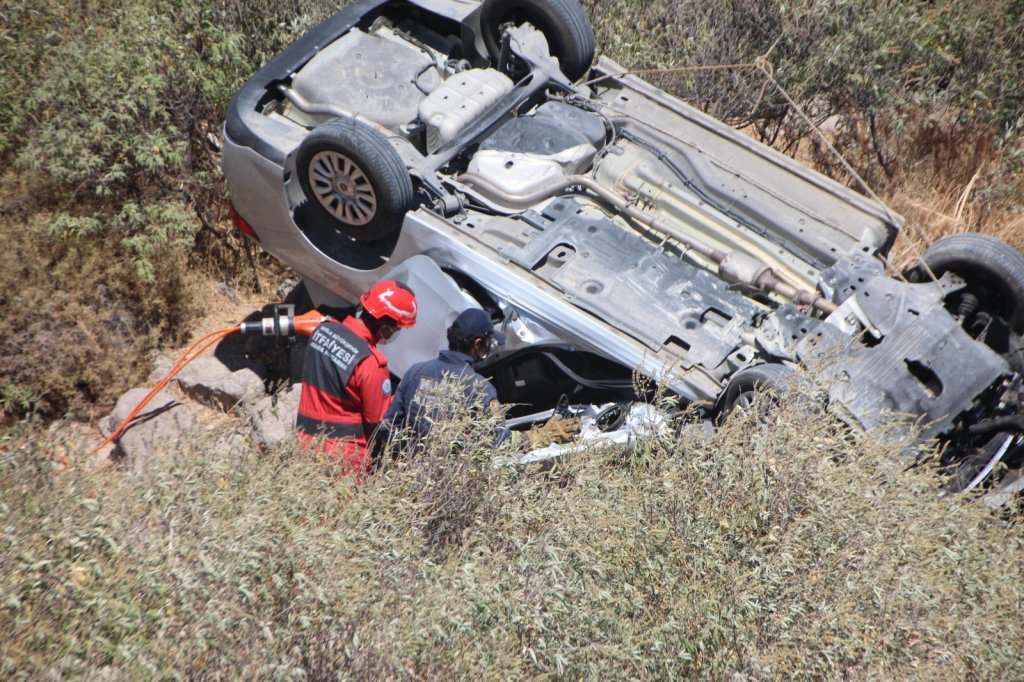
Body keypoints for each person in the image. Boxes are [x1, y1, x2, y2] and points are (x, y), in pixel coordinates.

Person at [295, 280, 417, 476]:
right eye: (397, 329)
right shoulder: (372, 364)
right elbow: (377, 424)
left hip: (305, 442)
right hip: (344, 463)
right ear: (385, 328)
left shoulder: (322, 330)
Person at [381, 307, 505, 444]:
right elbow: (499, 439)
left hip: (409, 462)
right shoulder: (481, 388)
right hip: (453, 465)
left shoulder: (415, 373)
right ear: (477, 344)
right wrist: (526, 438)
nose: (488, 347)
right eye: (488, 342)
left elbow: (389, 426)